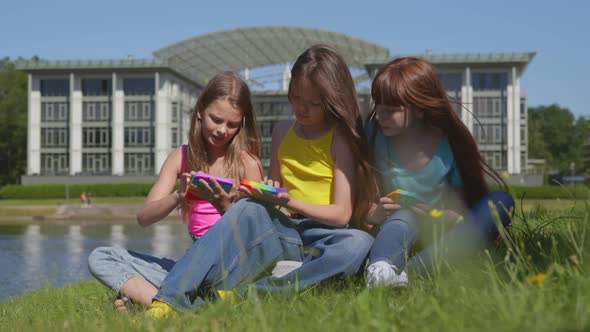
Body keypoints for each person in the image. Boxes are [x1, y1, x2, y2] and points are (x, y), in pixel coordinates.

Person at [146, 44, 378, 317]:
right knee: (247, 208)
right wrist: (263, 194)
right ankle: (170, 298)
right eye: (296, 97)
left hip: (326, 234)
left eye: (314, 103)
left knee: (358, 243)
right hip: (286, 231)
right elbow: (275, 196)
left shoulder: (340, 138)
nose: (302, 109)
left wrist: (290, 200)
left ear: (331, 99)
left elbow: (341, 215)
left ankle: (253, 293)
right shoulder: (282, 131)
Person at [87, 71, 263, 312]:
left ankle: (161, 305)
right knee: (101, 257)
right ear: (200, 111)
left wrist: (227, 208)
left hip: (232, 267)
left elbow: (258, 238)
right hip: (192, 264)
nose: (222, 130)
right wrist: (180, 196)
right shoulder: (180, 158)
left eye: (232, 125)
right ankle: (181, 304)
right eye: (216, 119)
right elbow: (144, 217)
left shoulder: (247, 164)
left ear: (241, 124)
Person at [364, 57, 514, 288]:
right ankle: (380, 269)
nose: (379, 116)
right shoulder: (375, 135)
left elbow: (456, 210)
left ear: (420, 110)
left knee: (501, 202)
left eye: (390, 110)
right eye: (377, 107)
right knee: (405, 216)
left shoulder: (449, 142)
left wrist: (437, 215)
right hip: (396, 227)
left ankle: (410, 272)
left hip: (441, 231)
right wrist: (371, 211)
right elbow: (357, 184)